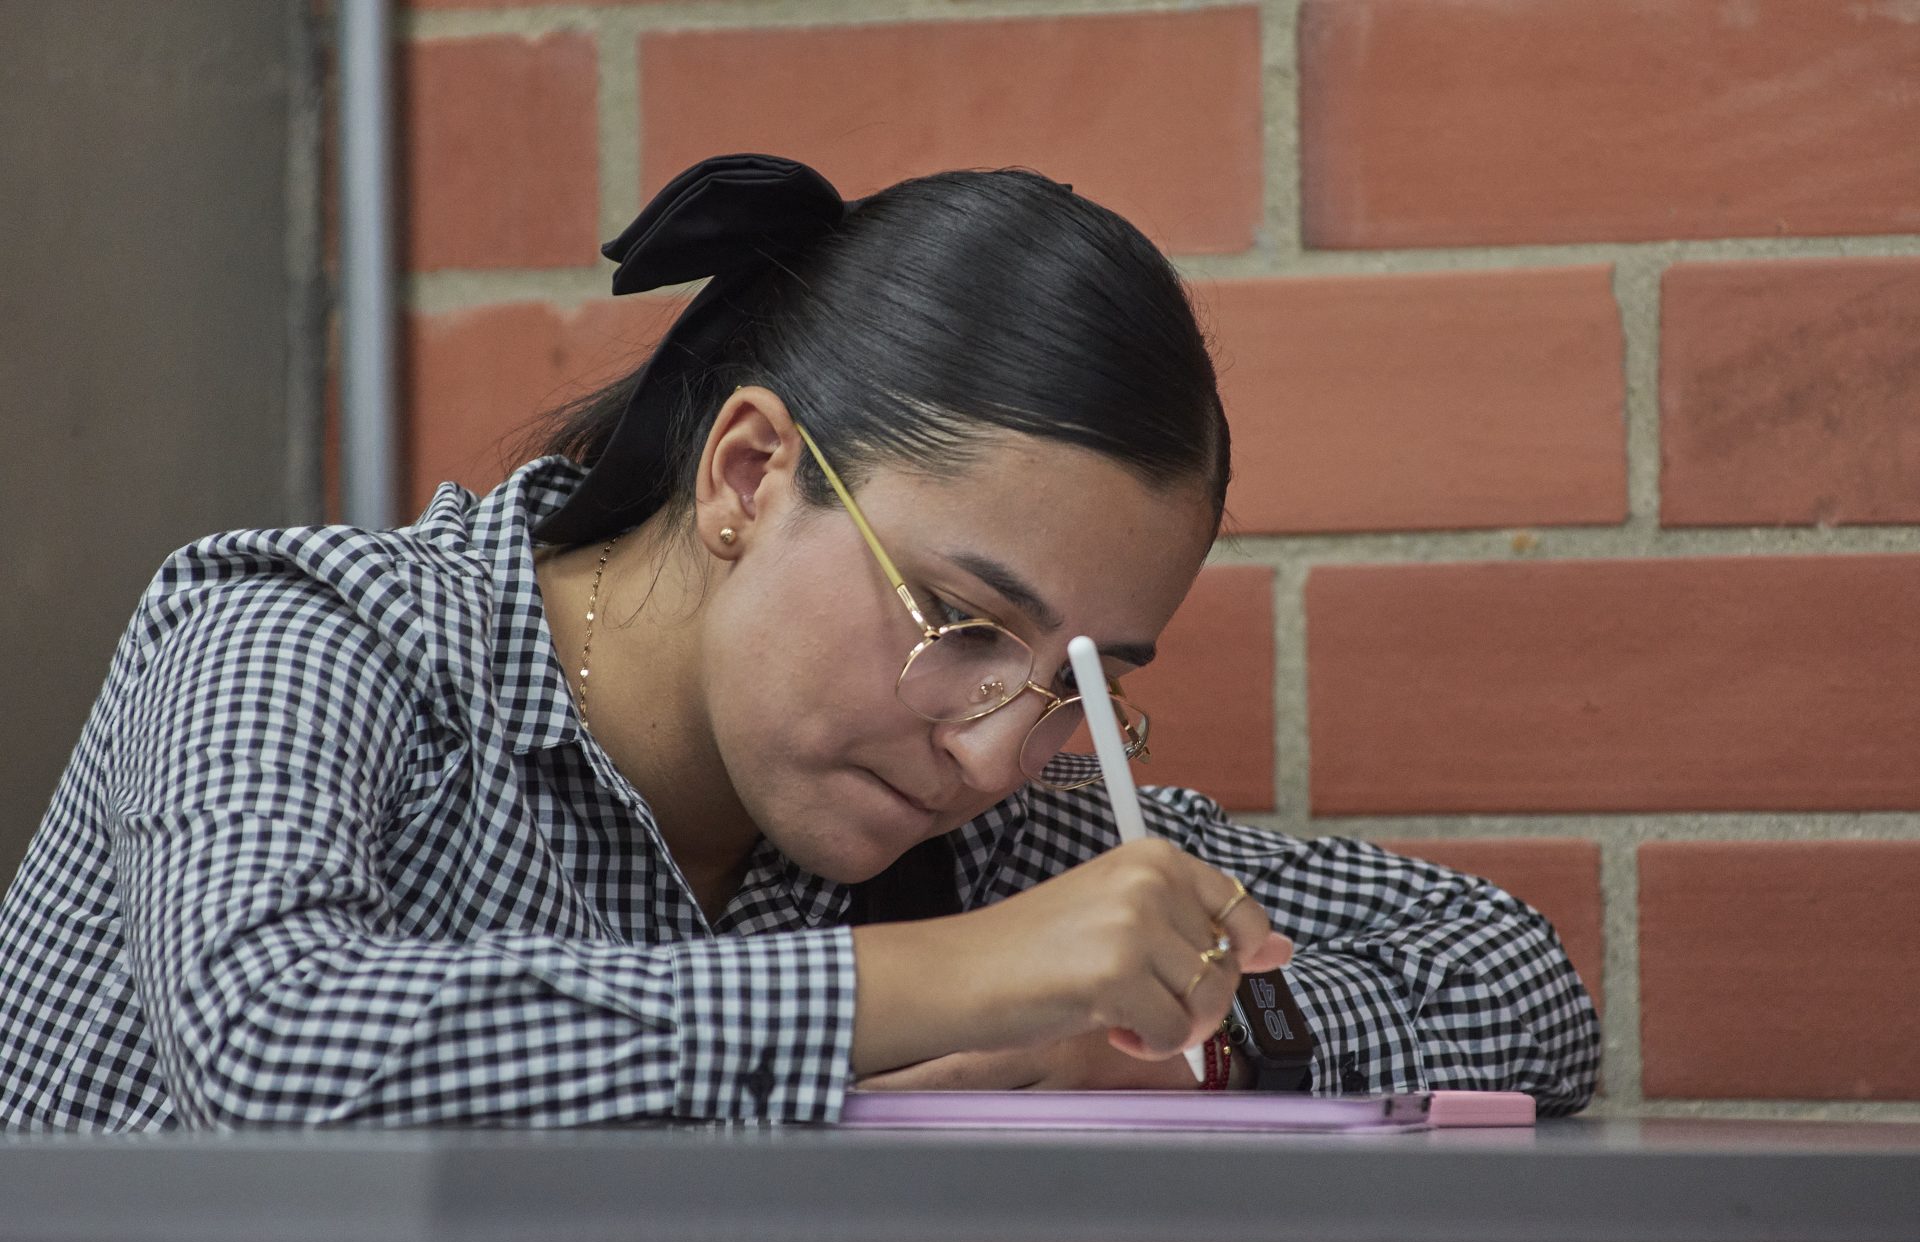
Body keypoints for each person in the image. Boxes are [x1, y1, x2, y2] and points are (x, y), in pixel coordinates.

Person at [0, 155, 1598, 1130]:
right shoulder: (306, 635)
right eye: (961, 621)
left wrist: (1218, 1035)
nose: (993, 749)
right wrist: (942, 983)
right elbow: (278, 1051)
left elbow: (1521, 988)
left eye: (1081, 687)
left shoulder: (991, 807)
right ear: (750, 475)